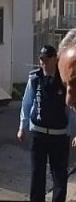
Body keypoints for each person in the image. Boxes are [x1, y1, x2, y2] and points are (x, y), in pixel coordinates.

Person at [18, 45, 76, 202]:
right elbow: (27, 103)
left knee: (59, 175)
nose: (43, 63)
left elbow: (72, 108)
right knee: (37, 173)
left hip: (59, 135)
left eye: (46, 60)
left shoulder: (64, 80)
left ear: (55, 59)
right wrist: (22, 127)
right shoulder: (35, 79)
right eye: (41, 59)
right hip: (38, 134)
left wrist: (75, 132)